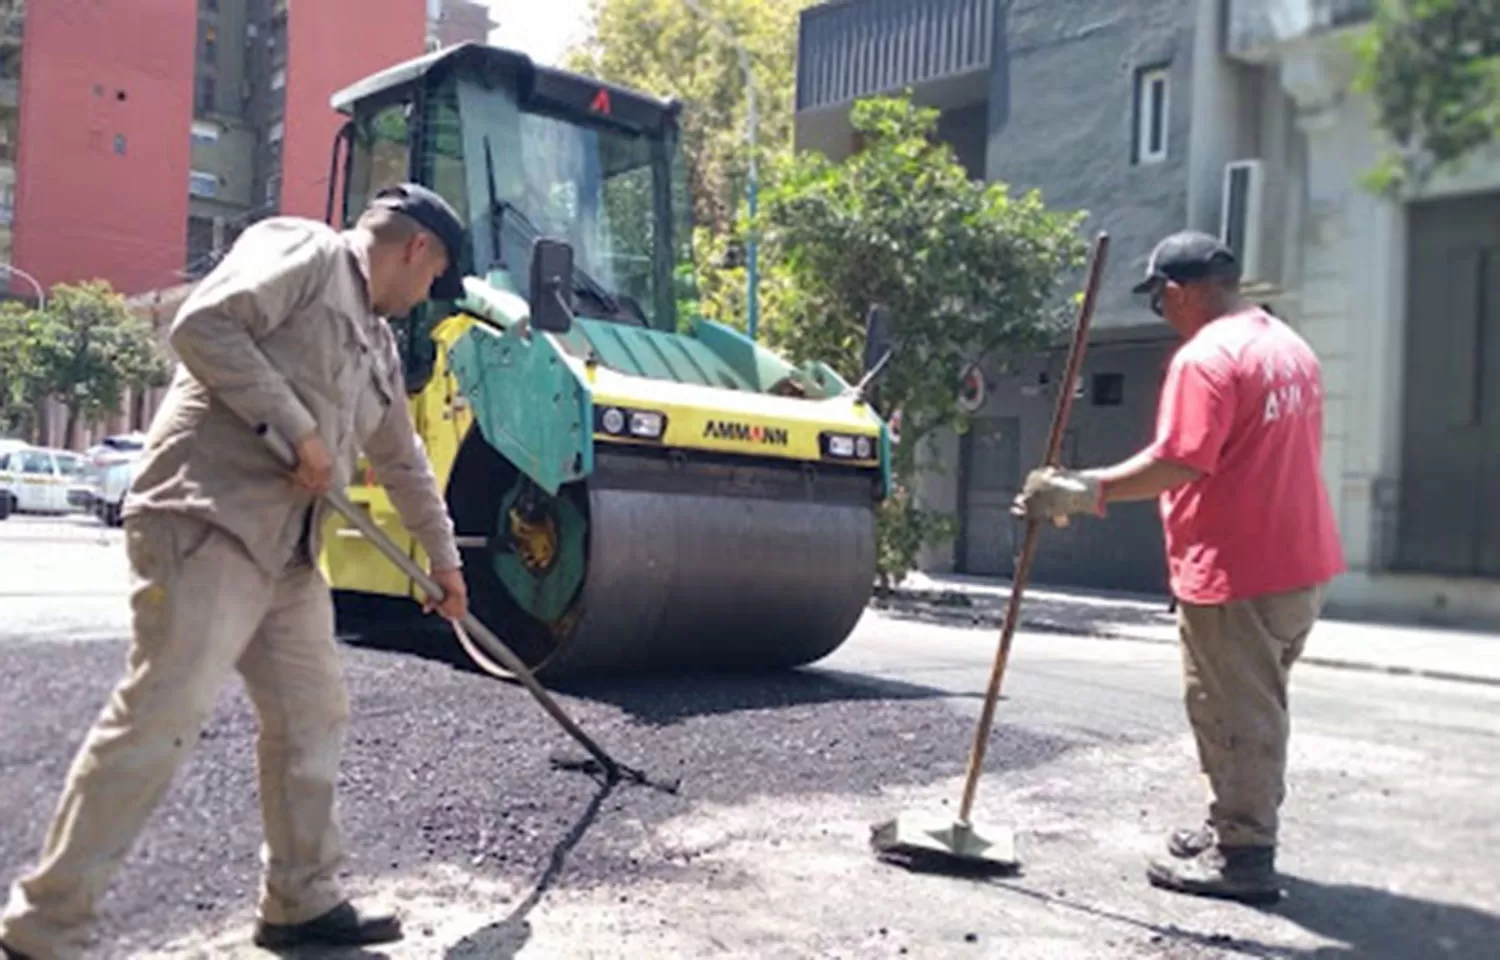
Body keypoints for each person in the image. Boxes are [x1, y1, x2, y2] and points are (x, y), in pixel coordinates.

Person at [0, 183, 473, 959]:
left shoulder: (379, 349)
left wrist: (446, 563)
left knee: (312, 715)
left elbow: (404, 463)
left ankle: (301, 899)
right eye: (432, 279)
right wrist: (296, 429)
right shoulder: (306, 253)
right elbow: (204, 326)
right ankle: (44, 927)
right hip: (207, 519)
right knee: (163, 715)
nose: (427, 297)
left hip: (287, 556)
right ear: (417, 248)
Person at [1012, 230, 1345, 904]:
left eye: (1160, 297)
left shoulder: (1207, 359)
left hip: (1236, 569)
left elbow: (1182, 459)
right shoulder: (1289, 346)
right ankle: (1233, 821)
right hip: (1299, 562)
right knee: (1257, 703)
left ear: (1181, 289)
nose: (1161, 310)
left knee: (1234, 712)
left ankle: (1245, 857)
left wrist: (1085, 487)